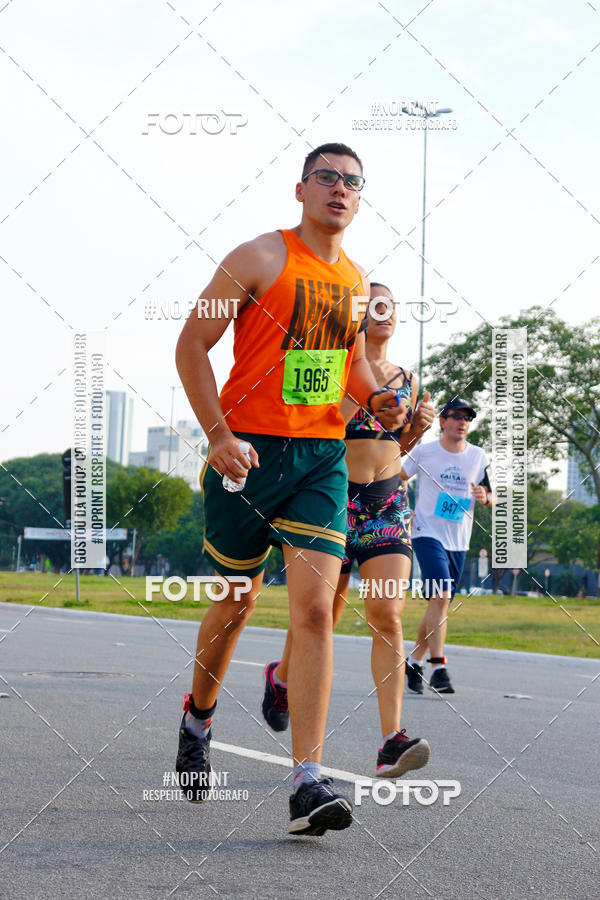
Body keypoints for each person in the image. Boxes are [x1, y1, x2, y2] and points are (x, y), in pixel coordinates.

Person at [174, 142, 409, 837]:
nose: (340, 189)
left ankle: (308, 778)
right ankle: (198, 716)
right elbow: (191, 345)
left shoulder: (357, 282)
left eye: (353, 183)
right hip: (246, 454)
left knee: (313, 611)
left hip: (318, 460)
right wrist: (218, 437)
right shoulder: (256, 258)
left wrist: (383, 400)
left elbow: (349, 370)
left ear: (360, 201)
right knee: (238, 603)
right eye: (327, 178)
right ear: (301, 190)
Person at [262, 283, 436, 777]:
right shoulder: (333, 370)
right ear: (356, 316)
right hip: (331, 500)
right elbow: (315, 432)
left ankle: (390, 741)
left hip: (385, 505)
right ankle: (283, 678)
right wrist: (364, 399)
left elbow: (396, 451)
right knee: (322, 617)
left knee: (387, 612)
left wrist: (416, 429)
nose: (383, 313)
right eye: (373, 305)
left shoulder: (409, 378)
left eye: (390, 306)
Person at [401, 398, 494, 694]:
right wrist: (404, 508)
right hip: (427, 533)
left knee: (438, 606)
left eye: (467, 418)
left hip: (459, 541)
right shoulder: (425, 452)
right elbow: (399, 478)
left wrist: (485, 496)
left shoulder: (478, 457)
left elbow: (491, 495)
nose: (462, 422)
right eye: (456, 416)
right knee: (440, 595)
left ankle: (413, 661)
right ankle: (439, 667)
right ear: (443, 421)